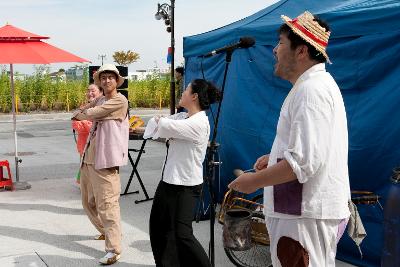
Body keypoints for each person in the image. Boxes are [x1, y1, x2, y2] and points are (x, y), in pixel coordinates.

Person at [228, 11, 350, 267]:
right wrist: (273, 159)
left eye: (281, 43)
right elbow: (312, 151)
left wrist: (254, 181)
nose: (274, 50)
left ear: (301, 51)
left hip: (303, 214)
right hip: (301, 213)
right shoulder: (313, 86)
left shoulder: (312, 90)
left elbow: (303, 163)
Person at [144, 79, 219, 267]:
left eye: (186, 89)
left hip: (185, 186)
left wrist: (161, 121)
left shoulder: (198, 122)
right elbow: (157, 125)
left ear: (194, 96)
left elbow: (163, 126)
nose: (182, 92)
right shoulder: (184, 117)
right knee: (159, 229)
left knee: (182, 234)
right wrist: (160, 122)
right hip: (169, 181)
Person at [71, 64, 129, 265]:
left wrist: (86, 111)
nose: (106, 81)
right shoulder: (101, 98)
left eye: (110, 77)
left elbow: (88, 113)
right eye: (103, 78)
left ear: (116, 80)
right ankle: (107, 232)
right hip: (89, 156)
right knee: (88, 202)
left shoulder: (119, 100)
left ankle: (114, 249)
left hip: (105, 159)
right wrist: (85, 110)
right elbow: (81, 111)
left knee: (107, 205)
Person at [71, 84, 103, 185]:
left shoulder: (103, 107)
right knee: (84, 166)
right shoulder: (83, 106)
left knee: (96, 168)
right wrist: (88, 122)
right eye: (88, 91)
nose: (90, 93)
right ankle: (84, 186)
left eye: (93, 91)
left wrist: (83, 120)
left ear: (101, 92)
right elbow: (75, 124)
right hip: (83, 144)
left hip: (98, 144)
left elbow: (97, 128)